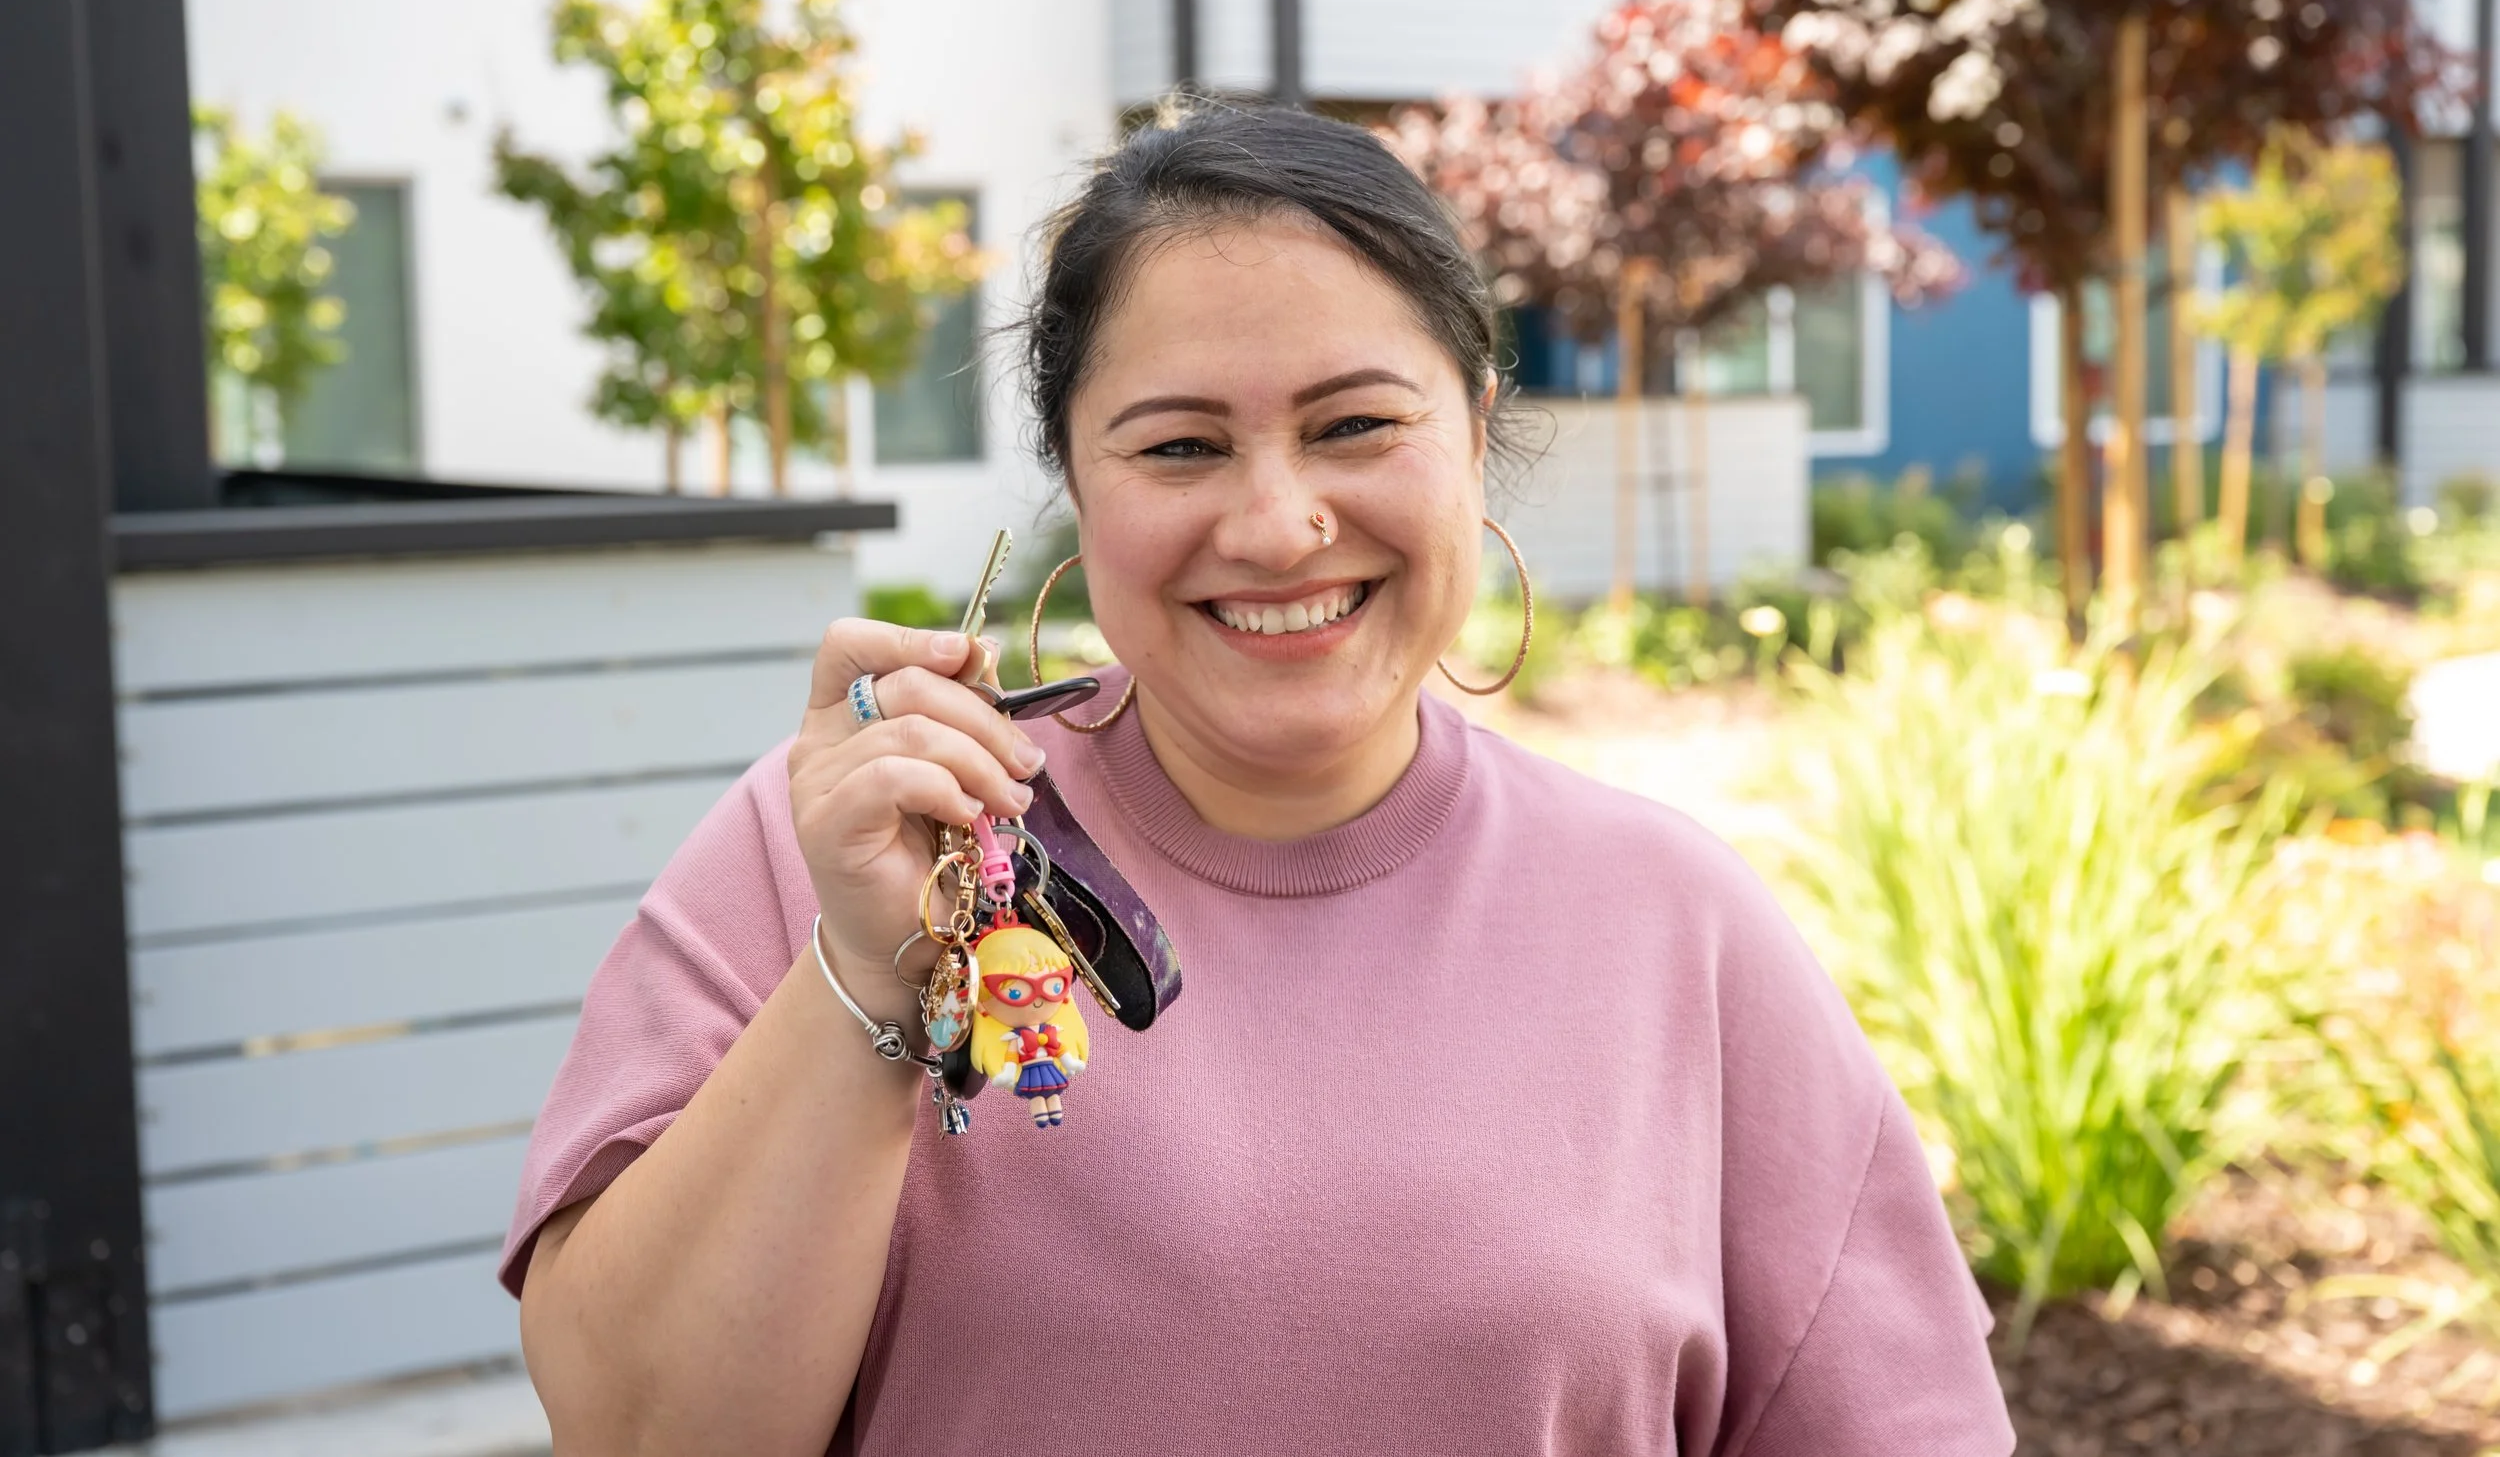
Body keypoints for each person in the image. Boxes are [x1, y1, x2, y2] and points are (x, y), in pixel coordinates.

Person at [501, 101, 2015, 1456]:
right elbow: (633, 1429)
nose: (1280, 523)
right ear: (1077, 484)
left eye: (1356, 424)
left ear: (1475, 432)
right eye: (1179, 447)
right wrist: (865, 973)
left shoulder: (1675, 925)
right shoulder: (839, 840)